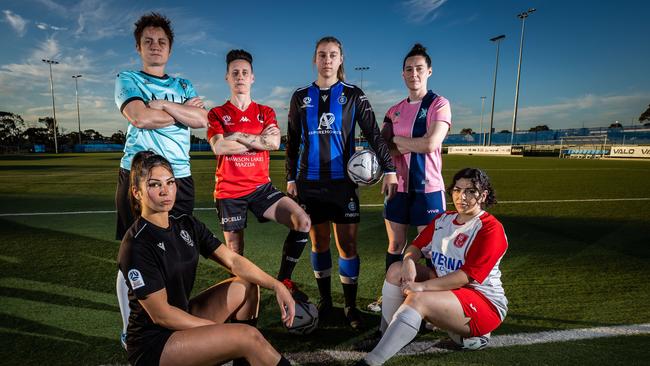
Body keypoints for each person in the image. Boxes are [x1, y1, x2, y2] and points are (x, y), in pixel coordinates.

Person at [118, 151, 294, 366]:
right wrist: (218, 330)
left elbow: (233, 261)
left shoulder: (185, 223)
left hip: (183, 315)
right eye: (155, 185)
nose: (166, 191)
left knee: (247, 285)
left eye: (170, 182)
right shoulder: (137, 243)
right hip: (155, 344)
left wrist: (277, 286)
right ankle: (241, 345)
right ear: (137, 192)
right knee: (247, 337)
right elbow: (162, 315)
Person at [285, 36, 398, 329]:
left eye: (332, 55)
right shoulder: (300, 96)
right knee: (319, 243)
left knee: (347, 245)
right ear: (315, 59)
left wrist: (389, 169)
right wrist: (290, 178)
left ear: (340, 59)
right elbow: (293, 141)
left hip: (342, 184)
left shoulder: (353, 94)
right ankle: (326, 302)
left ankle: (350, 306)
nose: (327, 60)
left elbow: (373, 133)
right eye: (322, 55)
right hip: (309, 182)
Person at [113, 12, 208, 348]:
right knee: (135, 257)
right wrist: (181, 112)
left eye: (161, 42)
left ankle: (174, 317)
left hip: (178, 177)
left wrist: (164, 104)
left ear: (170, 49)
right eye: (148, 42)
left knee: (178, 250)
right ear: (139, 47)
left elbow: (202, 120)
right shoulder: (127, 78)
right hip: (138, 177)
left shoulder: (182, 85)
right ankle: (131, 329)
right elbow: (139, 117)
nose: (155, 47)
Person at [356, 168, 508, 365]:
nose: (462, 196)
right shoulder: (443, 220)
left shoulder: (490, 228)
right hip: (447, 290)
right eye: (457, 189)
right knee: (396, 270)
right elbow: (415, 246)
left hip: (482, 301)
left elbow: (466, 277)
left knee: (418, 298)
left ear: (484, 195)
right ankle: (386, 335)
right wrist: (409, 261)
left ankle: (371, 362)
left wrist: (421, 286)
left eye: (471, 191)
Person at [207, 49, 311, 299]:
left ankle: (284, 280)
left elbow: (274, 143)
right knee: (235, 253)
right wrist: (258, 140)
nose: (240, 77)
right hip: (229, 191)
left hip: (260, 188)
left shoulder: (265, 111)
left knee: (302, 221)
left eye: (244, 72)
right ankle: (240, 299)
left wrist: (239, 136)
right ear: (227, 78)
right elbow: (219, 146)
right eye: (235, 73)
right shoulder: (217, 113)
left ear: (252, 77)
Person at [367, 43, 452, 313]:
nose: (413, 73)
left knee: (429, 250)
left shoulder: (439, 104)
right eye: (408, 69)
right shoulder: (393, 111)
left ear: (429, 71)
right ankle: (389, 296)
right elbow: (383, 146)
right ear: (402, 74)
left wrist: (399, 142)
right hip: (398, 186)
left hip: (428, 188)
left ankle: (432, 303)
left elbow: (430, 144)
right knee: (395, 244)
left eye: (419, 68)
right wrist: (402, 144)